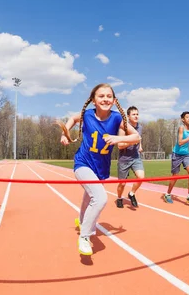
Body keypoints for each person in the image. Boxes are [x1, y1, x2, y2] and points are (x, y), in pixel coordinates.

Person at [58, 83, 141, 256]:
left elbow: (136, 136)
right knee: (100, 197)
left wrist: (117, 139)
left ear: (114, 100)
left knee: (89, 196)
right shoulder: (87, 115)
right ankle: (85, 236)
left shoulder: (117, 118)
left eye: (108, 96)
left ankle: (82, 221)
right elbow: (73, 119)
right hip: (83, 163)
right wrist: (65, 135)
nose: (105, 99)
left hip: (101, 168)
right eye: (101, 96)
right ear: (93, 100)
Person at [163, 111, 189, 204]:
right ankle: (167, 194)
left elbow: (186, 140)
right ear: (183, 119)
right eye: (187, 117)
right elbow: (180, 142)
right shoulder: (181, 128)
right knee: (175, 176)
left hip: (186, 154)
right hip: (177, 154)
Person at [115, 106, 144, 208]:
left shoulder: (140, 127)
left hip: (136, 157)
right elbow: (120, 145)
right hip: (124, 159)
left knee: (141, 177)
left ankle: (131, 194)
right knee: (122, 184)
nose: (136, 116)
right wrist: (132, 141)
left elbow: (139, 138)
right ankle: (119, 198)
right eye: (133, 114)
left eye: (137, 114)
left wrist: (140, 145)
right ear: (128, 116)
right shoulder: (124, 127)